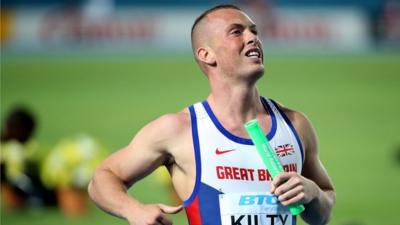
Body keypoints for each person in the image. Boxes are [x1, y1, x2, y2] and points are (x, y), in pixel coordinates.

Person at [88, 4, 335, 225]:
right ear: (206, 54)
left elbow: (321, 213)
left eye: (254, 31)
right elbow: (102, 178)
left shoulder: (294, 125)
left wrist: (313, 194)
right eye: (237, 32)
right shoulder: (179, 130)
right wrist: (134, 211)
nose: (252, 38)